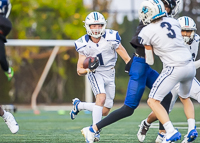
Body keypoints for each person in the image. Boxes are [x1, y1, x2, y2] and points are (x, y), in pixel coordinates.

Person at [80, 0, 178, 142]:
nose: (167, 10)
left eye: (167, 7)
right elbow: (139, 41)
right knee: (129, 108)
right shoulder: (147, 23)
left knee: (167, 96)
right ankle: (92, 129)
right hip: (139, 66)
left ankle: (162, 134)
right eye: (165, 7)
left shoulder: (161, 22)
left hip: (145, 66)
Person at [138, 0, 198, 142]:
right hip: (189, 66)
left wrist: (150, 47)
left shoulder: (146, 31)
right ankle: (192, 128)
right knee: (185, 98)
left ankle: (170, 131)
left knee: (153, 101)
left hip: (173, 67)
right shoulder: (174, 22)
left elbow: (150, 61)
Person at [71, 11, 131, 142]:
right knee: (101, 98)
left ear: (103, 25)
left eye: (99, 25)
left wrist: (130, 65)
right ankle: (95, 132)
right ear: (88, 27)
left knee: (105, 111)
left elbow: (123, 53)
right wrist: (89, 69)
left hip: (110, 72)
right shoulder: (83, 43)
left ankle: (79, 106)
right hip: (95, 73)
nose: (96, 28)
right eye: (93, 25)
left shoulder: (111, 36)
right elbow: (79, 70)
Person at [0, 0, 19, 134]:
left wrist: (7, 68)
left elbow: (1, 55)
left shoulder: (3, 23)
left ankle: (6, 115)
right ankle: (6, 115)